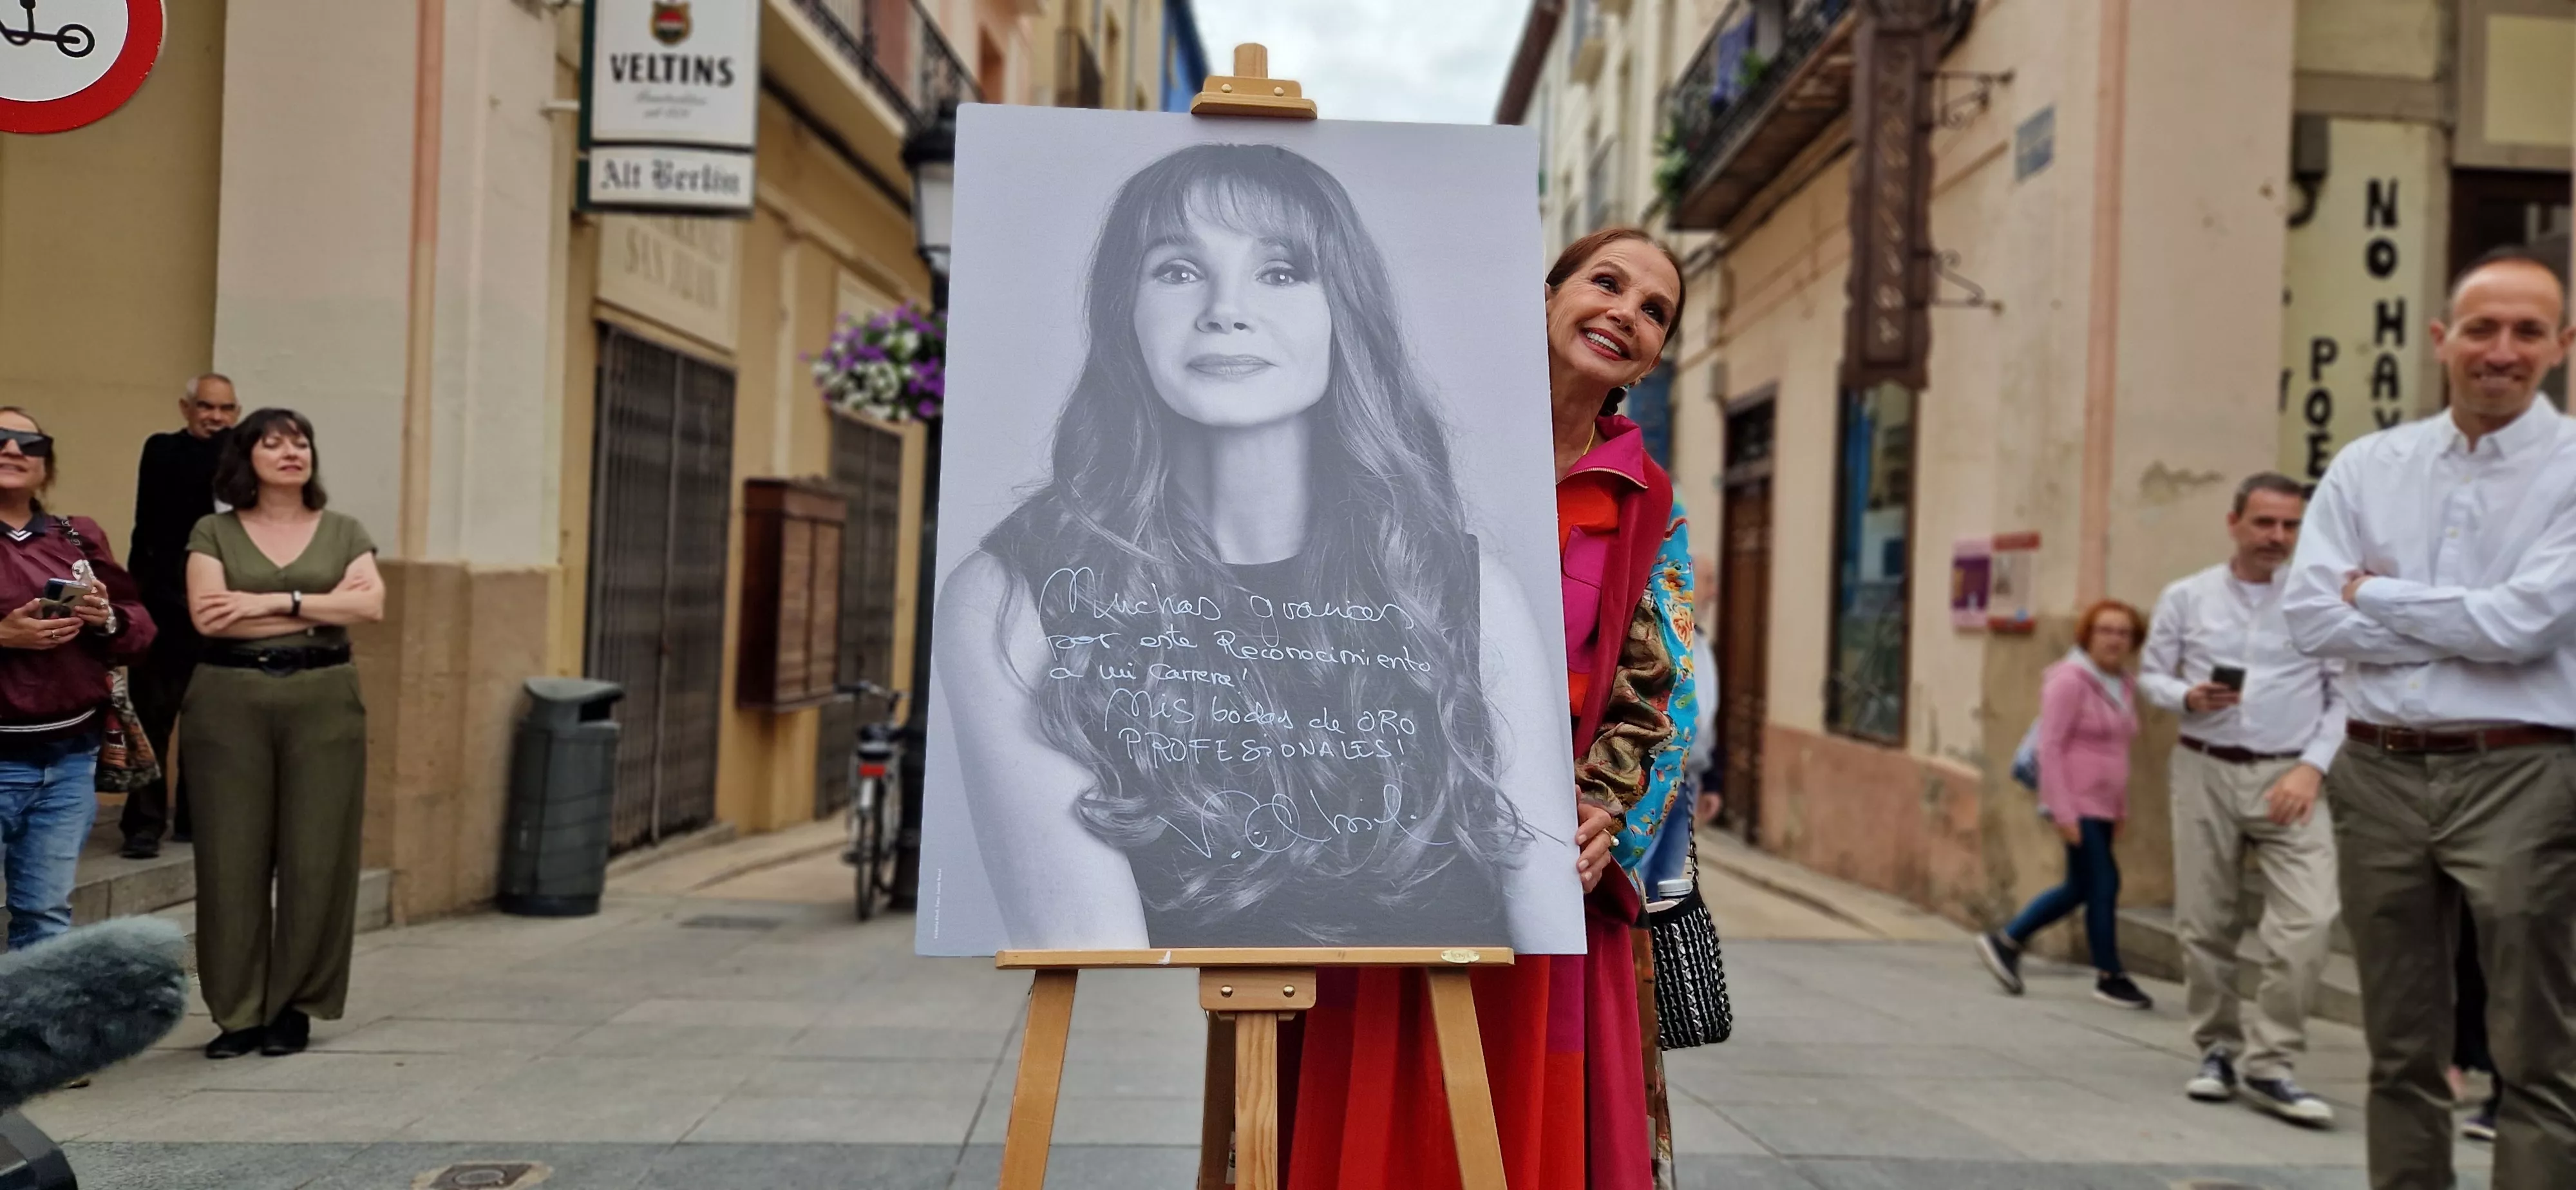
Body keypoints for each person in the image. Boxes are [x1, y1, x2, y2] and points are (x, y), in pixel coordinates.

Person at [940, 144, 1568, 952]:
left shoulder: (1464, 588)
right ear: (1123, 314)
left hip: (1415, 1060)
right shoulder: (1010, 599)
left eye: (1280, 272)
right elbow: (1091, 947)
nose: (1224, 310)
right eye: (1176, 270)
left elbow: (1547, 921)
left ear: (1345, 313)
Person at [1282, 227, 1696, 1190]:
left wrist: (1605, 815)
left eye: (1654, 310)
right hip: (1380, 850)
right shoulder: (1407, 443)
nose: (1624, 313)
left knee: (1522, 1134)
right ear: (1548, 295)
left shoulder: (1650, 502)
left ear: (1658, 355)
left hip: (1543, 878)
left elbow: (1659, 691)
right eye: (1606, 283)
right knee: (1376, 1118)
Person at [2282, 245, 2576, 1190]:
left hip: (2523, 774)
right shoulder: (2370, 465)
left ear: (2563, 346)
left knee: (2538, 1055)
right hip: (2376, 772)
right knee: (2399, 1050)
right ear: (2441, 339)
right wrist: (2458, 623)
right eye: (2482, 328)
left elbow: (2527, 626)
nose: (2502, 349)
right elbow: (2308, 614)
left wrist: (2375, 598)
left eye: (2528, 330)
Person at [2137, 472, 2343, 1127]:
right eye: (2263, 523)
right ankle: (2217, 1049)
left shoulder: (2317, 602)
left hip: (2290, 777)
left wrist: (2311, 769)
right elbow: (2149, 676)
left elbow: (2346, 695)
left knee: (2309, 921)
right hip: (2204, 769)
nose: (2276, 538)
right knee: (2203, 923)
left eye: (2288, 526)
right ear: (2233, 523)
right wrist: (2186, 698)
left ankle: (2272, 1062)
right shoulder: (2186, 596)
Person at [184, 409, 382, 1059]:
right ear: (247, 458)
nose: (291, 452)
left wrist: (273, 602)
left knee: (317, 854)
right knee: (228, 858)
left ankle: (294, 1005)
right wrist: (319, 608)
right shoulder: (213, 531)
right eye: (273, 443)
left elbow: (369, 607)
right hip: (227, 699)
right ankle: (236, 1014)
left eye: (300, 442)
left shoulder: (345, 530)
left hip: (324, 699)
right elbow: (211, 620)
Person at [0, 408, 155, 950]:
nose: (13, 449)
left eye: (29, 442)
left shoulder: (76, 538)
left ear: (47, 466)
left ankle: (30, 1035)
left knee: (46, 917)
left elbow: (139, 628)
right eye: (0, 438)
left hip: (69, 760)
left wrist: (107, 618)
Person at [1975, 600, 2155, 1010]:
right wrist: (2061, 810)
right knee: (2105, 883)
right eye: (2105, 631)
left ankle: (2006, 942)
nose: (2114, 640)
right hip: (2076, 802)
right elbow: (2051, 747)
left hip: (2106, 804)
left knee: (2080, 886)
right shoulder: (2069, 680)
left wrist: (2122, 808)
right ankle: (2110, 975)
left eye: (2123, 633)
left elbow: (2118, 750)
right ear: (2088, 636)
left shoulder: (2124, 684)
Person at [117, 373, 238, 859]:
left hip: (220, 609)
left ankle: (194, 817)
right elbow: (148, 528)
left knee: (209, 721)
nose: (216, 417)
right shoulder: (163, 450)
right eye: (206, 407)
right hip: (163, 606)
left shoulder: (242, 458)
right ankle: (143, 823)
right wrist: (137, 602)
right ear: (186, 408)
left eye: (226, 409)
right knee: (150, 717)